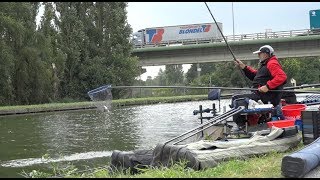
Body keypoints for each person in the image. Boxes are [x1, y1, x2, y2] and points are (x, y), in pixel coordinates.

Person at [234, 45, 287, 120]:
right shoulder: (266, 64)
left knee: (237, 99)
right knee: (237, 98)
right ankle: (248, 122)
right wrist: (244, 67)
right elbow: (256, 76)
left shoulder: (272, 63)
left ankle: (240, 125)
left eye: (260, 54)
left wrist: (267, 86)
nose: (258, 55)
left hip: (265, 97)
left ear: (265, 54)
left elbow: (282, 76)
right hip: (260, 95)